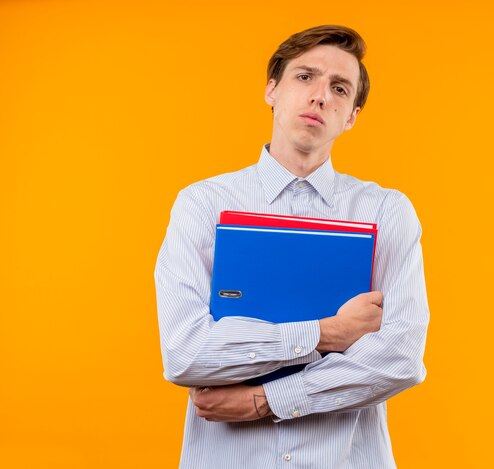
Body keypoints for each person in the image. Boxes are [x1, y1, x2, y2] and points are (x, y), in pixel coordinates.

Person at [155, 24, 430, 468]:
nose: (321, 95)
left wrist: (265, 400)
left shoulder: (386, 211)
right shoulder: (202, 204)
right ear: (272, 90)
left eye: (339, 88)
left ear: (352, 115)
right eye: (305, 77)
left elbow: (399, 357)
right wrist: (327, 333)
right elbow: (187, 355)